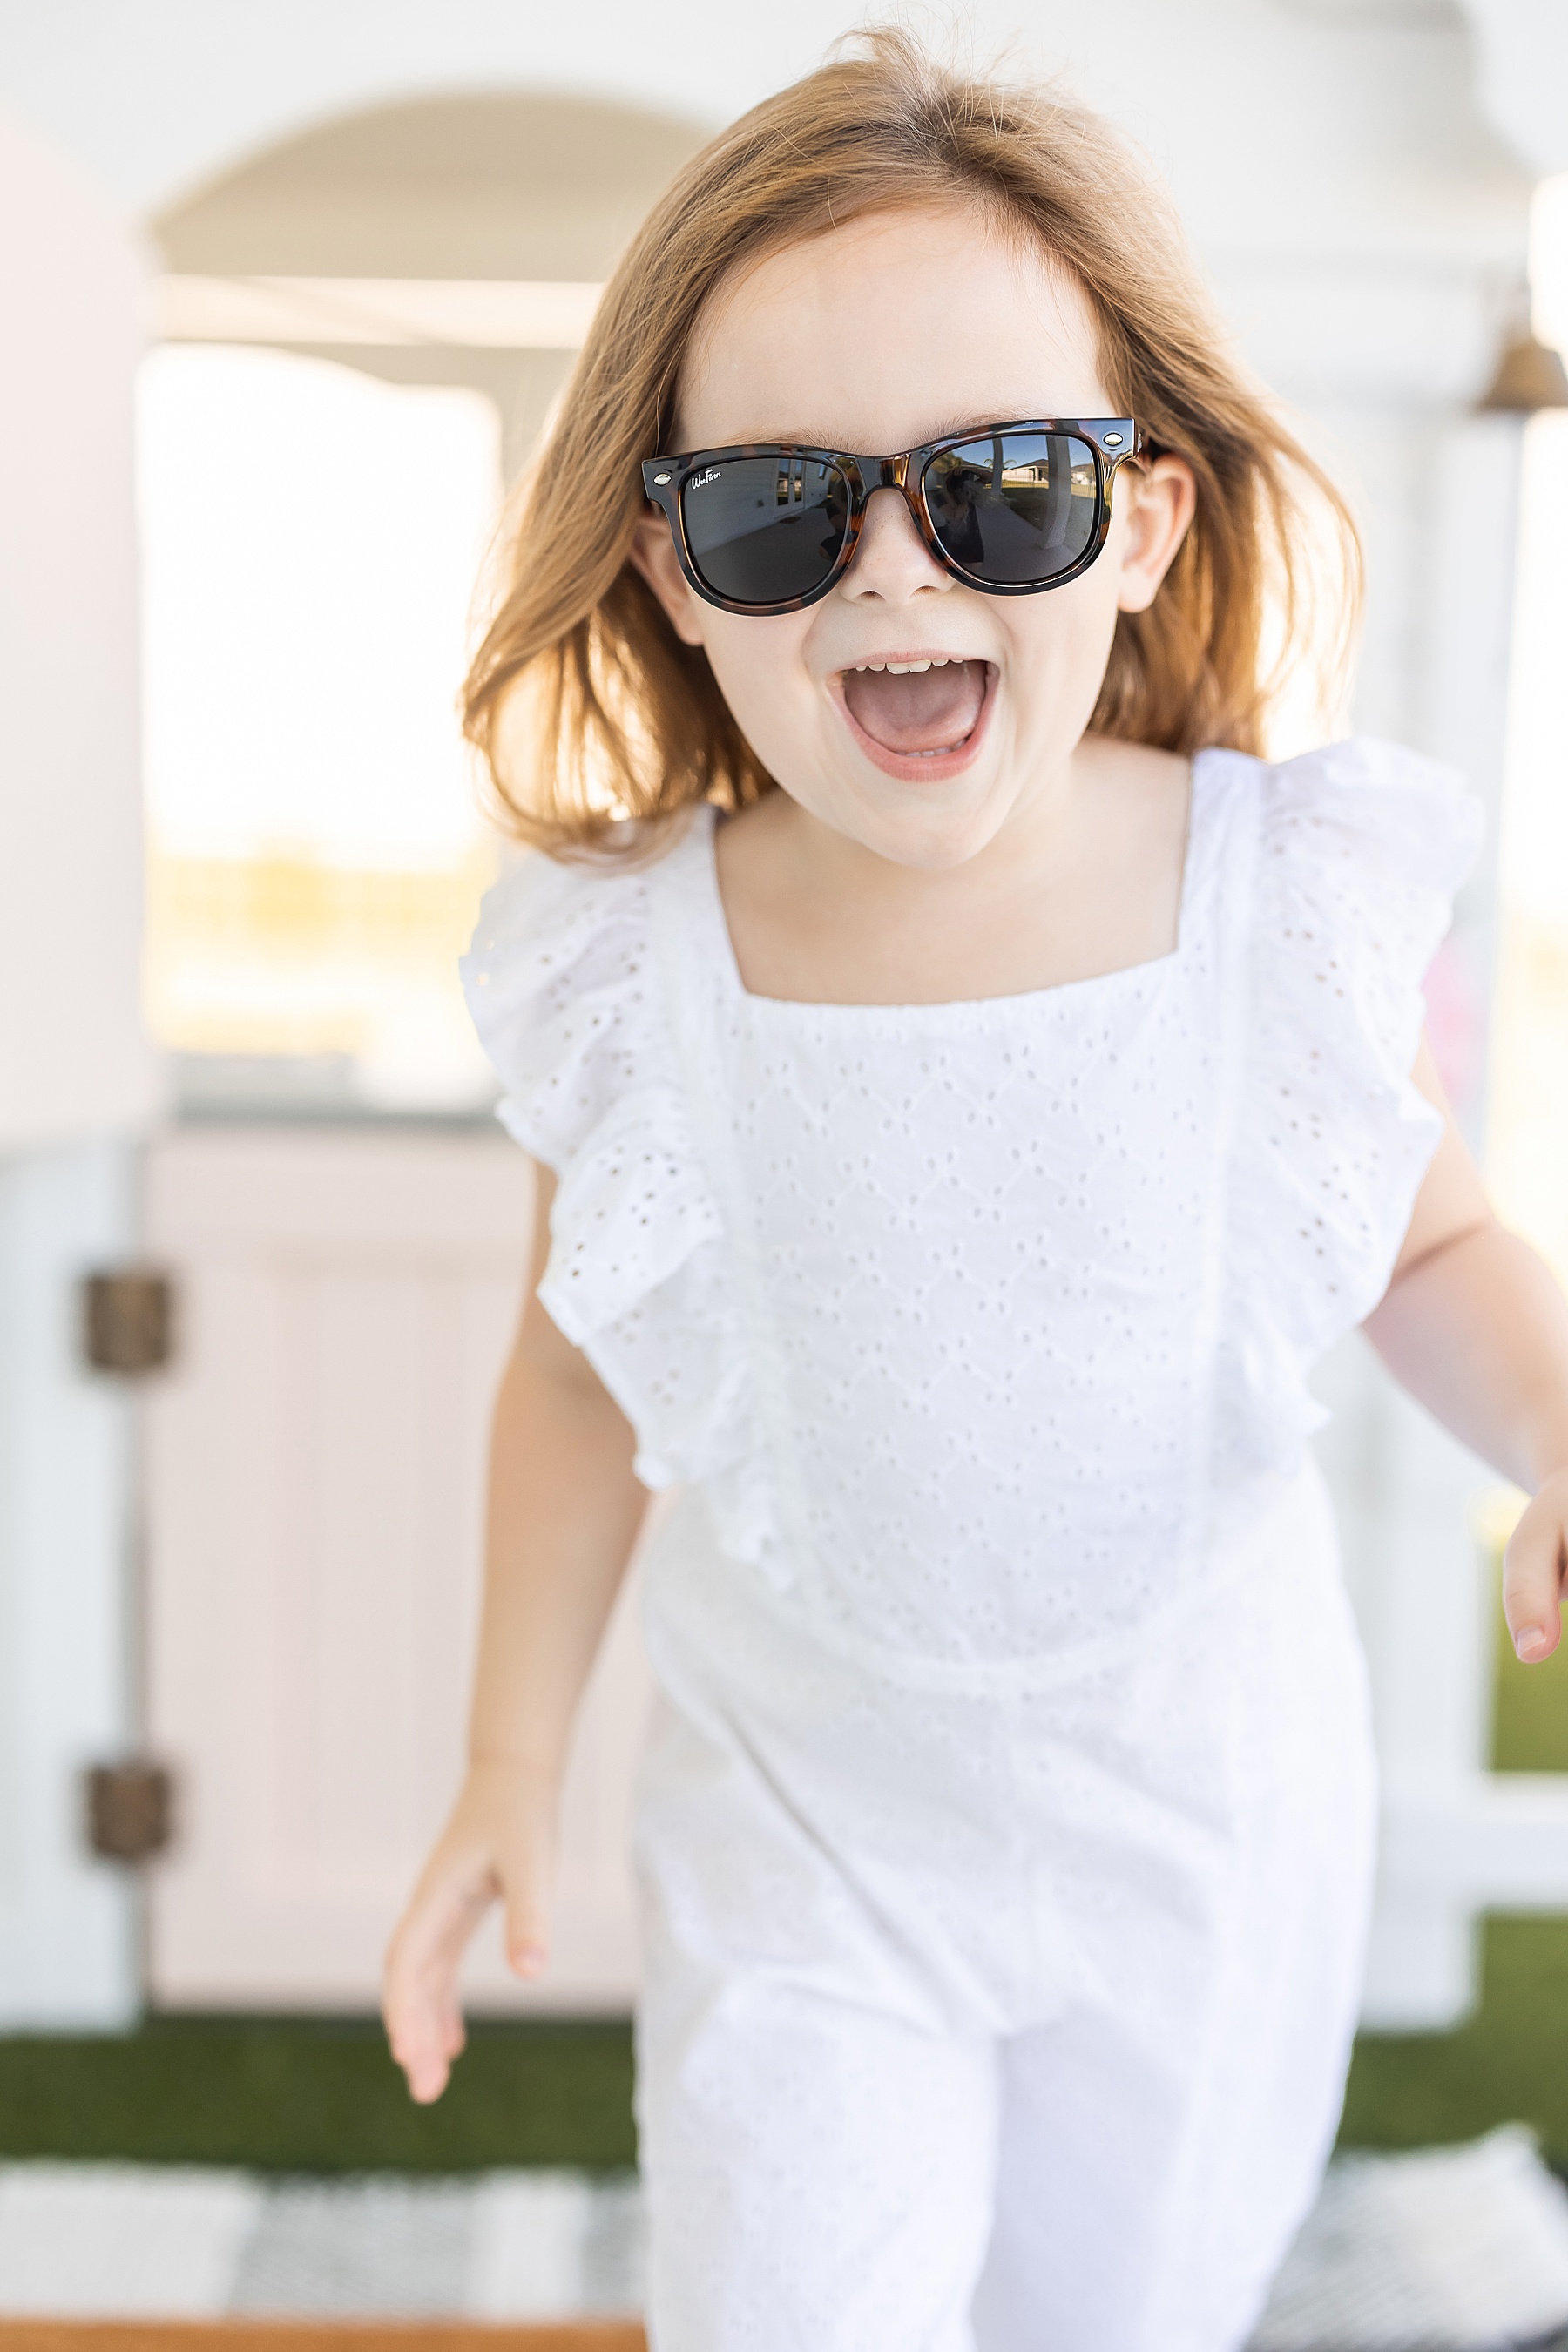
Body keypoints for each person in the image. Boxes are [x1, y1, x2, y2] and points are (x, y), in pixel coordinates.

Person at [382, 30, 1568, 2351]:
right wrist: (506, 1754)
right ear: (674, 567)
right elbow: (566, 1361)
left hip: (1199, 1812)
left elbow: (1426, 1239)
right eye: (782, 512)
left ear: (1140, 520)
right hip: (806, 1828)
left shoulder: (1266, 896)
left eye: (999, 490)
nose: (895, 570)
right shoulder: (642, 958)